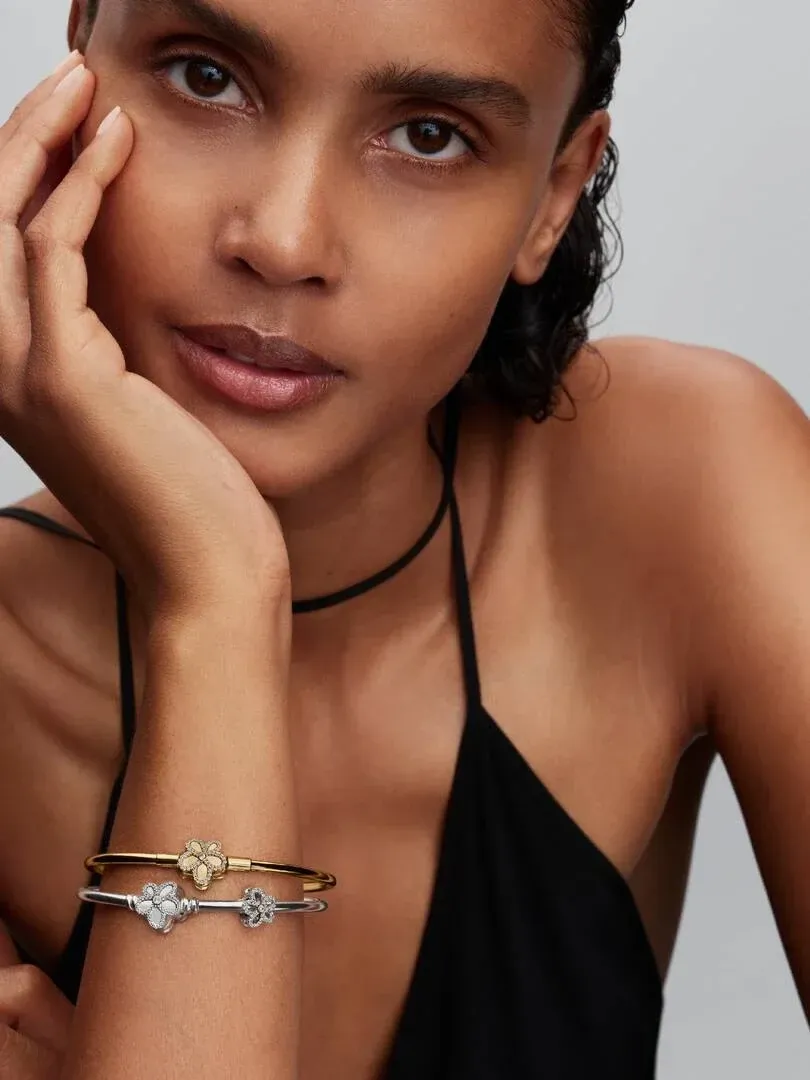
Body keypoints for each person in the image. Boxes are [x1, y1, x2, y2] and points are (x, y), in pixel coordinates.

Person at [0, 0, 808, 1076]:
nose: (283, 240)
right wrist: (218, 606)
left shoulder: (685, 485)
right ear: (79, 53)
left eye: (430, 135)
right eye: (206, 77)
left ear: (553, 196)